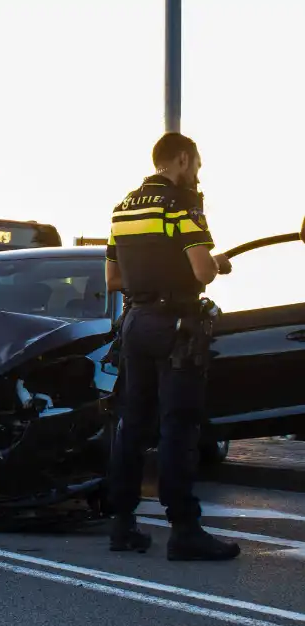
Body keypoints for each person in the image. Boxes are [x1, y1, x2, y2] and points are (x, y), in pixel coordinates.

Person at [104, 132, 240, 561]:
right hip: (175, 325)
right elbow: (202, 271)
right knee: (178, 426)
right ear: (182, 160)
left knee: (131, 425)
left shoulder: (122, 208)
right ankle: (184, 530)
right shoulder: (184, 205)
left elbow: (113, 279)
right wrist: (215, 264)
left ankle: (122, 525)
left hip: (136, 324)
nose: (198, 175)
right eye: (196, 166)